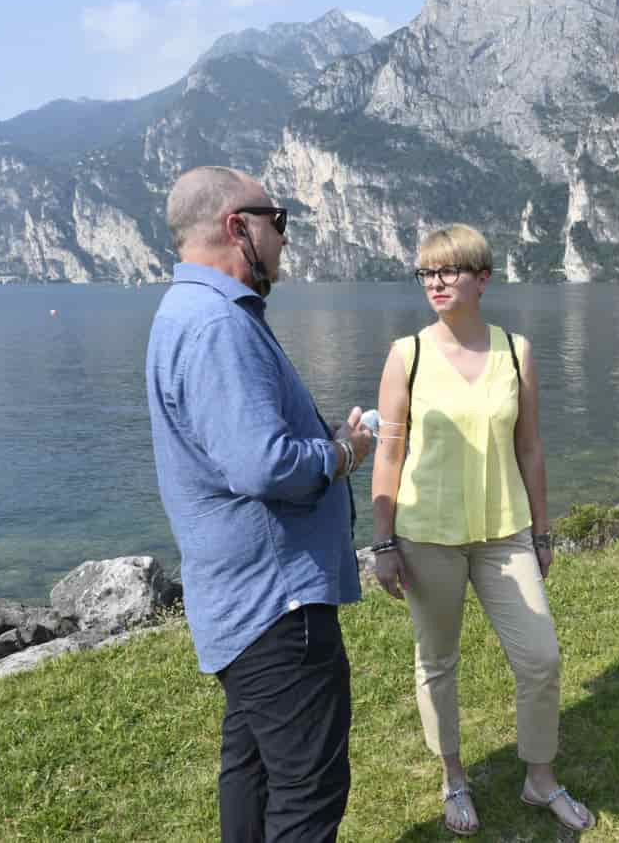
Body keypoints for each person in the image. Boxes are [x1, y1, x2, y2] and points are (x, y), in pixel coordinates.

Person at [146, 166, 374, 842]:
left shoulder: (185, 311)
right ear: (235, 225)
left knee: (250, 769)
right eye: (278, 219)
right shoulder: (217, 323)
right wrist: (343, 452)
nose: (284, 236)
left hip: (239, 605)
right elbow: (262, 463)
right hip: (279, 608)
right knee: (308, 789)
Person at [369, 224, 594, 836]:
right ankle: (453, 779)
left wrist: (542, 533)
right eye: (427, 273)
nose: (436, 283)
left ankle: (538, 778)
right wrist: (383, 541)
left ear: (483, 278)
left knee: (541, 657)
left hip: (504, 533)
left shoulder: (515, 352)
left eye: (449, 271)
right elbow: (388, 454)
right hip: (426, 534)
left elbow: (531, 449)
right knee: (437, 660)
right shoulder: (406, 355)